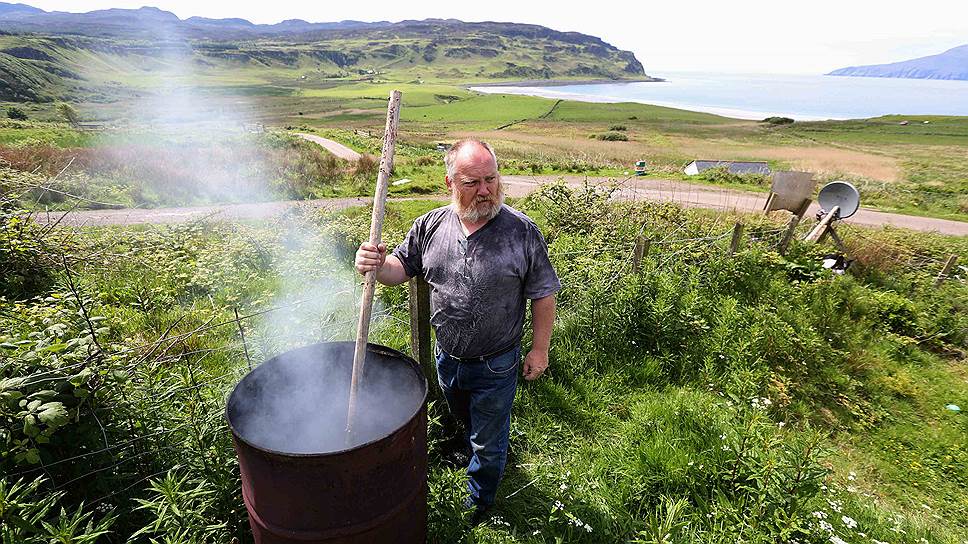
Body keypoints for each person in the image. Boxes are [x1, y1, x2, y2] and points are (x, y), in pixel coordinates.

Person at [354, 139, 560, 521]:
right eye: (472, 182)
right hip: (447, 359)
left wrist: (539, 350)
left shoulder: (521, 232)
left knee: (489, 437)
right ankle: (474, 446)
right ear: (449, 182)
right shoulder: (430, 225)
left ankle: (478, 504)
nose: (485, 190)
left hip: (497, 363)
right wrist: (375, 263)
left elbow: (543, 294)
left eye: (491, 179)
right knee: (466, 419)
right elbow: (398, 270)